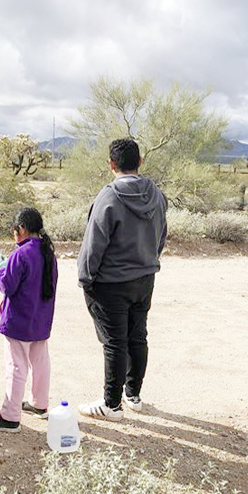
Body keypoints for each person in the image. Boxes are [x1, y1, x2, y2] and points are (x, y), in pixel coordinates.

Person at [77, 138, 167, 422]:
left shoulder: (109, 197)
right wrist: (149, 260)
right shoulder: (156, 194)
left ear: (111, 164)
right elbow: (161, 234)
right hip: (145, 276)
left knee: (115, 343)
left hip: (112, 282)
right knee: (137, 336)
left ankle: (111, 405)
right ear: (140, 161)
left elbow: (94, 245)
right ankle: (133, 395)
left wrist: (86, 278)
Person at [0, 207, 58, 433]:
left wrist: (0, 268)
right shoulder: (48, 253)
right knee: (40, 361)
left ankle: (10, 416)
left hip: (19, 320)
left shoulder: (20, 255)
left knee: (16, 366)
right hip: (41, 319)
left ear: (21, 229)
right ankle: (39, 404)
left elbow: (7, 286)